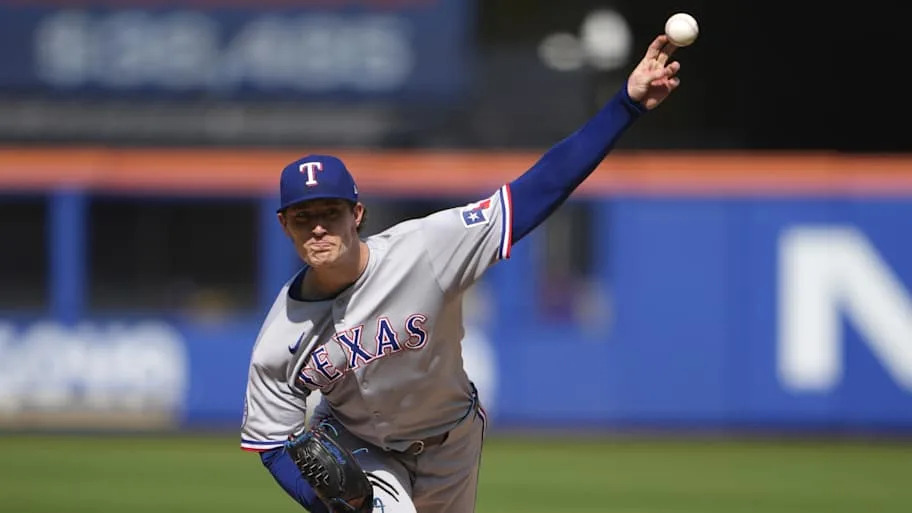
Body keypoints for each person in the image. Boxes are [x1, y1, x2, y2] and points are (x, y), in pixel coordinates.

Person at [240, 34, 685, 512]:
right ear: (284, 225)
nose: (319, 227)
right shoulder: (278, 338)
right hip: (359, 448)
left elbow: (536, 191)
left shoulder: (425, 249)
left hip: (451, 443)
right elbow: (271, 442)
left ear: (358, 214)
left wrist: (625, 105)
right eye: (304, 217)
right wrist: (331, 503)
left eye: (331, 212)